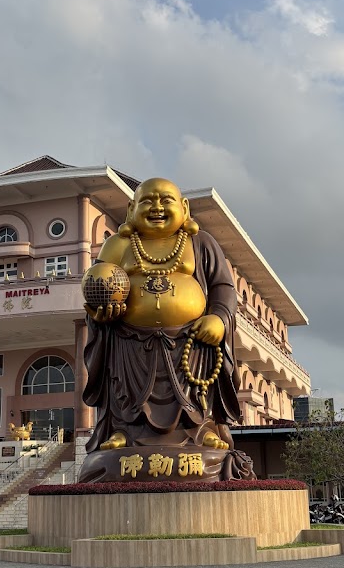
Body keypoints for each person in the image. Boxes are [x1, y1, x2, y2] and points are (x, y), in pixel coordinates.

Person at [79, 177, 253, 483]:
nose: (156, 207)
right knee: (125, 388)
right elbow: (99, 283)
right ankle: (124, 432)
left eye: (165, 200)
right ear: (131, 208)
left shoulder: (201, 243)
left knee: (197, 392)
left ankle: (204, 430)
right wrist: (98, 310)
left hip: (192, 340)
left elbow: (223, 288)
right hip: (129, 339)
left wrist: (219, 318)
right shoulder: (118, 244)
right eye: (147, 201)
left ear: (184, 208)